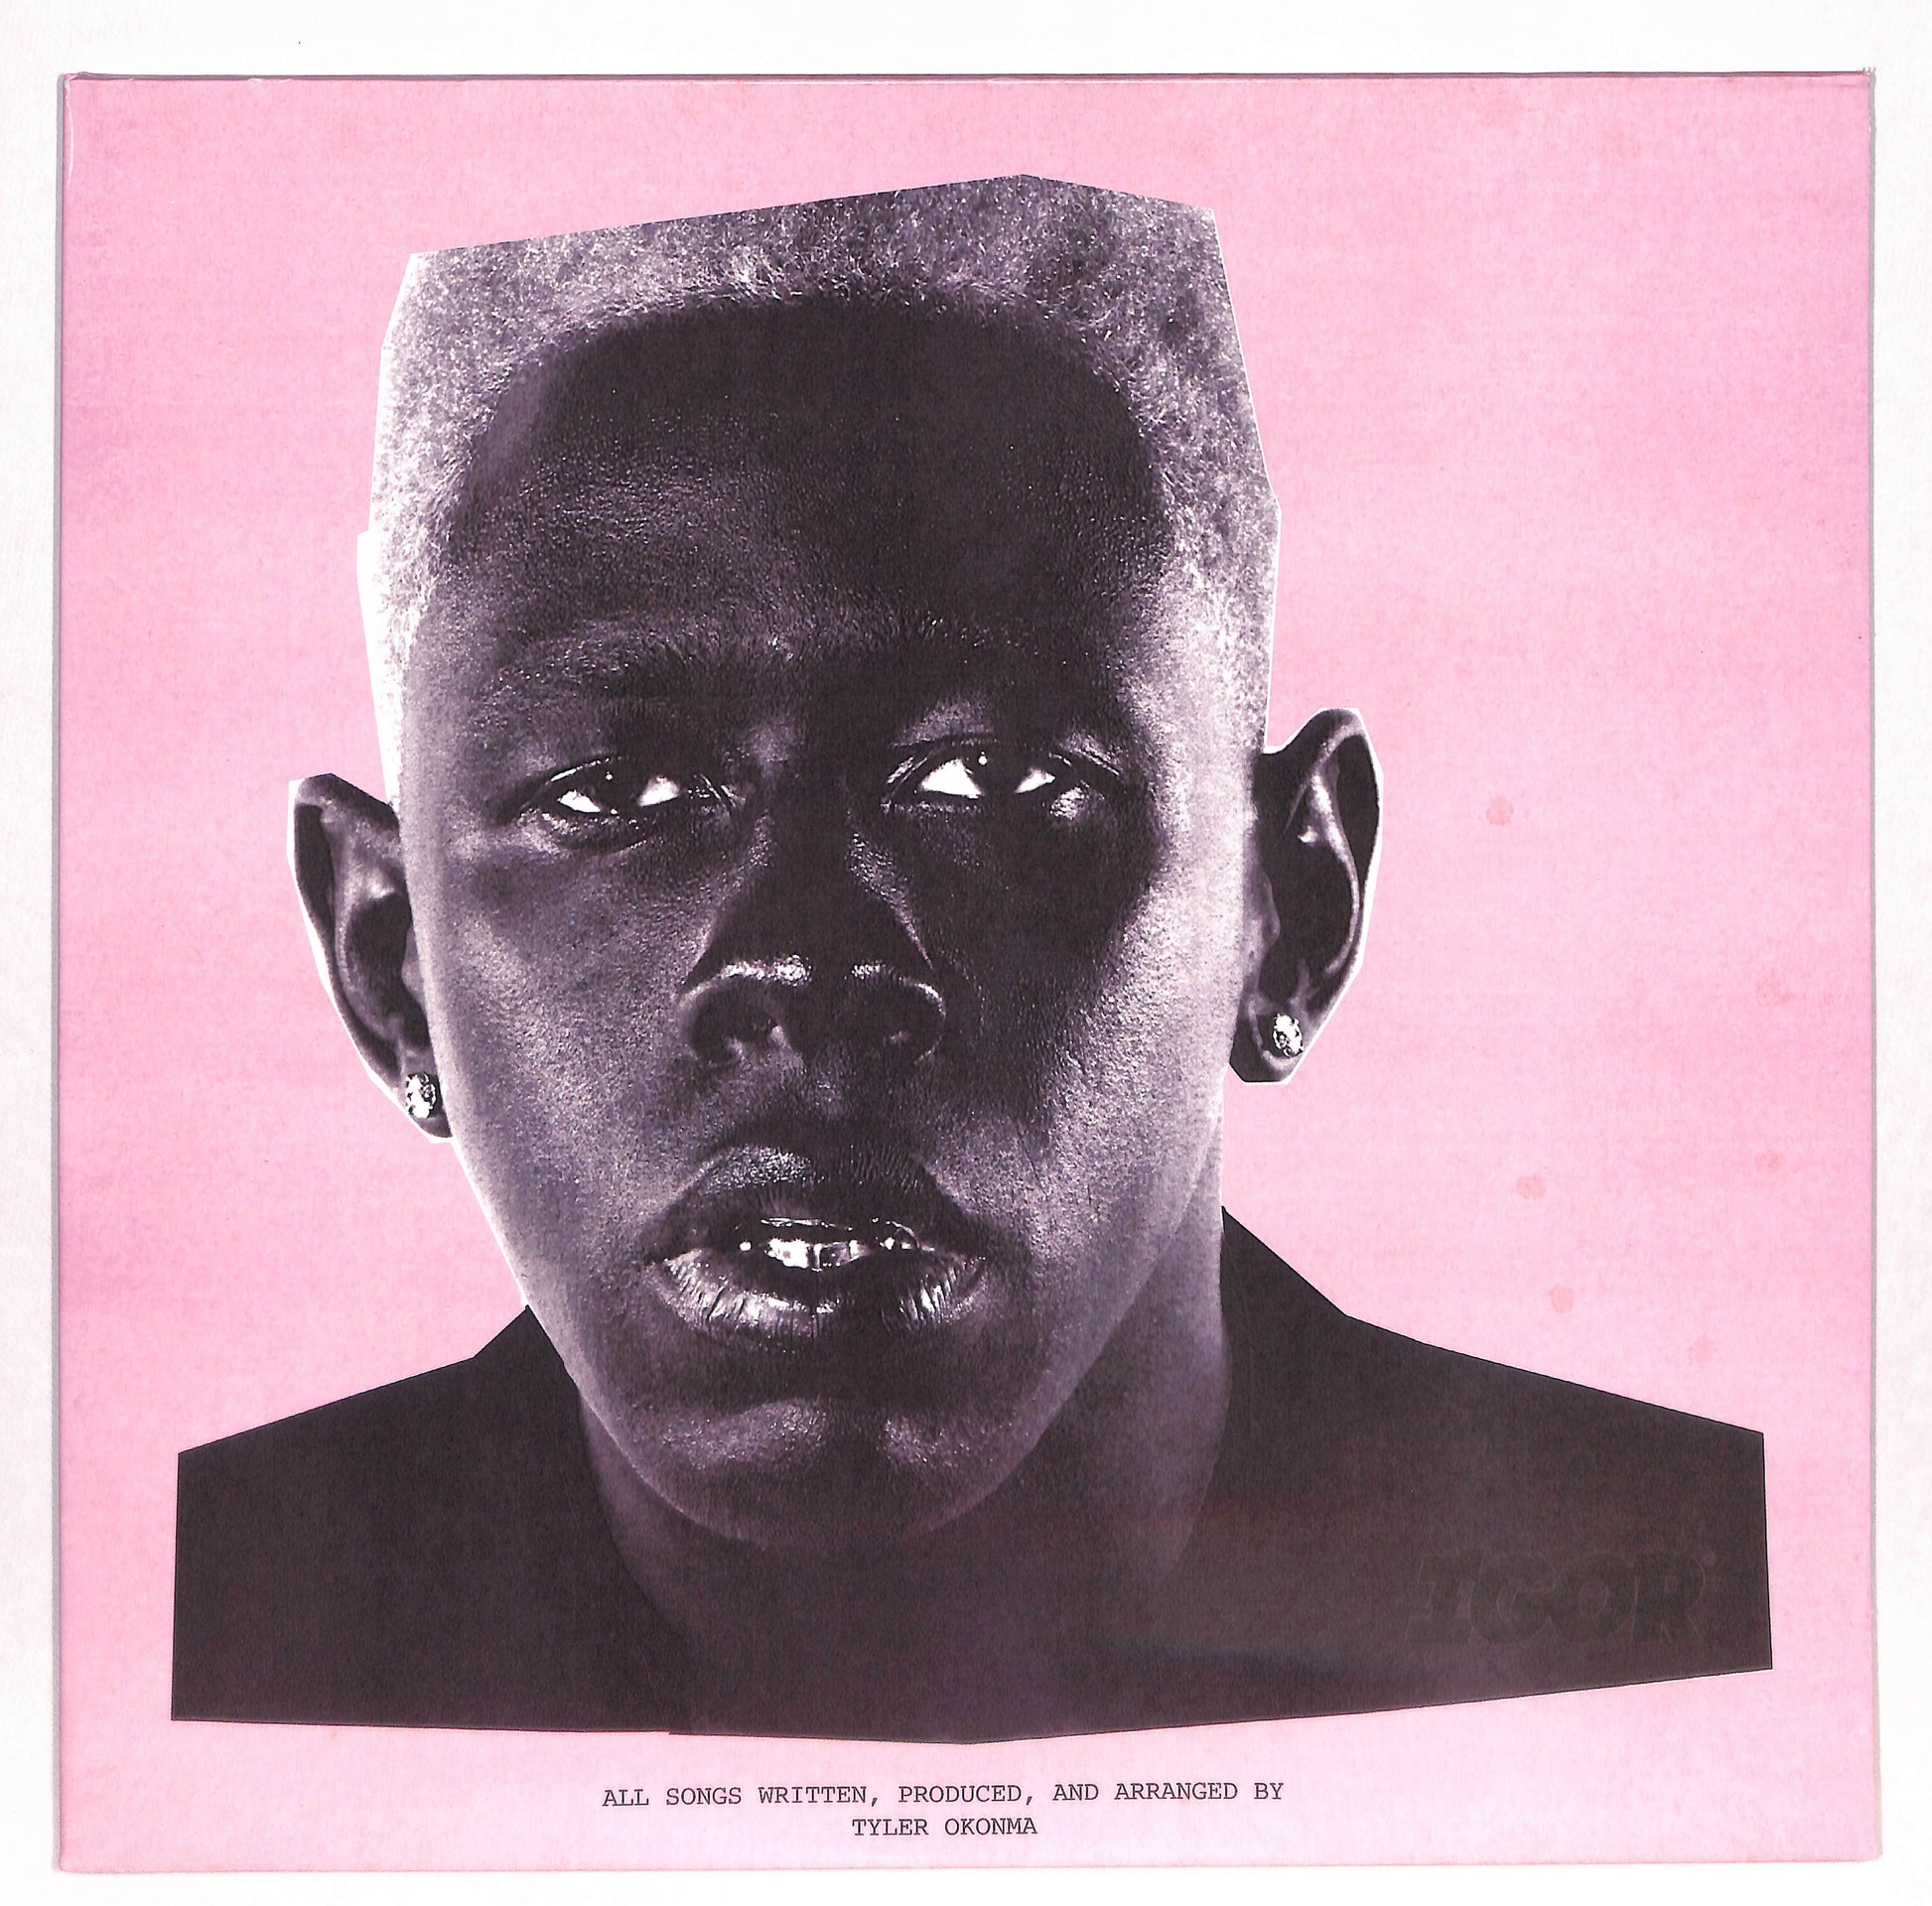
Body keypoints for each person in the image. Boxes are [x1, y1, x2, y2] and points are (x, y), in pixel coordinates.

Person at [172, 177, 1770, 1742]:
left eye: (990, 782)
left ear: (1288, 904)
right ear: (387, 959)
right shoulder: (179, 1639)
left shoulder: (1685, 1625)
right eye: (615, 797)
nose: (800, 967)